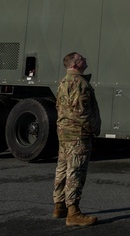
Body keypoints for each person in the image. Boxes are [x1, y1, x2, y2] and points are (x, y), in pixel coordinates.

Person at [52, 52, 101, 227]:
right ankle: (73, 212)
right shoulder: (80, 83)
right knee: (76, 171)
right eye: (82, 59)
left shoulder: (63, 82)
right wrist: (94, 128)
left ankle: (59, 206)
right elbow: (82, 112)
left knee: (63, 168)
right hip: (77, 134)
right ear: (74, 65)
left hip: (64, 132)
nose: (85, 60)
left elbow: (59, 106)